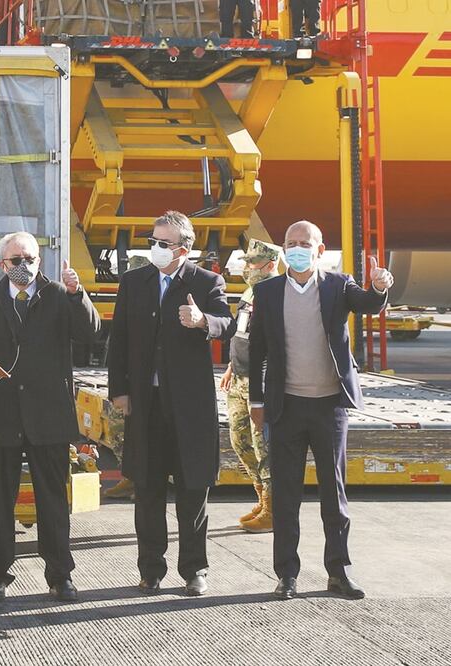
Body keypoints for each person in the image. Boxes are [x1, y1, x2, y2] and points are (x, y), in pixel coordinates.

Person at [249, 220, 392, 601]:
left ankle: (339, 572)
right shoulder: (267, 292)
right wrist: (257, 402)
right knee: (285, 497)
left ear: (320, 249)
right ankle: (287, 575)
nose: (297, 249)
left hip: (329, 407)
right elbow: (257, 350)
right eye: (290, 242)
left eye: (304, 243)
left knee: (334, 495)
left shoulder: (338, 285)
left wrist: (378, 287)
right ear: (283, 248)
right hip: (286, 407)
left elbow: (367, 304)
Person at [0, 231, 100, 602]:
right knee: (0, 501)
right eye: (16, 260)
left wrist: (77, 294)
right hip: (2, 417)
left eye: (30, 259)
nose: (23, 266)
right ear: (2, 264)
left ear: (39, 260)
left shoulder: (58, 295)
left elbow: (89, 332)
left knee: (53, 501)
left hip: (49, 417)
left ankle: (60, 575)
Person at [107, 211, 232, 597]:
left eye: (164, 243)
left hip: (190, 406)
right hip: (146, 402)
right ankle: (151, 569)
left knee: (193, 490)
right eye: (153, 241)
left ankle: (194, 569)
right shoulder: (134, 282)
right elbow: (119, 338)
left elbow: (227, 323)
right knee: (147, 489)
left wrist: (202, 321)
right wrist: (119, 390)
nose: (156, 248)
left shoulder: (206, 281)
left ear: (185, 248)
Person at [219, 239, 281, 533]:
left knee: (263, 446)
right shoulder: (251, 291)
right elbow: (243, 333)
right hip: (239, 377)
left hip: (261, 381)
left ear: (270, 265)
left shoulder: (276, 293)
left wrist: (263, 388)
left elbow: (271, 344)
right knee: (240, 440)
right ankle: (261, 496)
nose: (247, 268)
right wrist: (231, 366)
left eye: (252, 263)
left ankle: (273, 508)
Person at [103, 253, 151, 501]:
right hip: (127, 379)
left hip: (144, 382)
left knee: (145, 437)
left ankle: (143, 482)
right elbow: (118, 344)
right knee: (121, 430)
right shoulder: (130, 296)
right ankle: (130, 477)